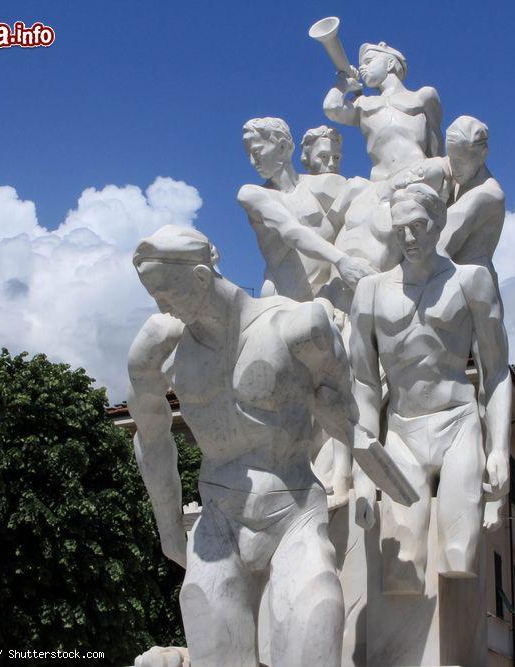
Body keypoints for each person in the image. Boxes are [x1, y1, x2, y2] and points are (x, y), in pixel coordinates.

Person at [128, 226, 414, 665]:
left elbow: (349, 416)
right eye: (152, 294)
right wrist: (168, 527)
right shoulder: (159, 346)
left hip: (294, 514)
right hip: (219, 523)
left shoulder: (300, 326)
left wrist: (352, 457)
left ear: (202, 277)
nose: (160, 304)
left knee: (313, 641)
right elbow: (150, 435)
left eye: (166, 291)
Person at [348, 184, 513, 592]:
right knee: (400, 574)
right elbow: (364, 384)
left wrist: (500, 449)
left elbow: (495, 372)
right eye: (400, 227)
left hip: (458, 425)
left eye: (418, 225)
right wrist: (365, 471)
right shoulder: (370, 291)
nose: (408, 237)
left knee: (459, 557)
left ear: (438, 223)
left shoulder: (470, 281)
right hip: (401, 431)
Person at [238, 117, 375, 302]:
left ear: (283, 147)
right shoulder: (253, 194)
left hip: (329, 296)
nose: (253, 162)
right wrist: (342, 261)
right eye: (249, 155)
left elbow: (365, 194)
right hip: (284, 299)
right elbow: (291, 231)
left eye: (256, 151)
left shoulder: (319, 185)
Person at [323, 42, 443, 182]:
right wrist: (343, 82)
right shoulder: (362, 104)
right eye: (361, 64)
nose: (362, 68)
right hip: (381, 181)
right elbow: (331, 108)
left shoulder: (423, 96)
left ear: (390, 63)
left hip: (416, 172)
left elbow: (436, 147)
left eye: (368, 61)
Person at [438, 116, 505, 281]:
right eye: (451, 158)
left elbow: (438, 249)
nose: (453, 167)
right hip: (450, 280)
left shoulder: (487, 195)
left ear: (483, 154)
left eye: (461, 160)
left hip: (471, 288)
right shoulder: (459, 176)